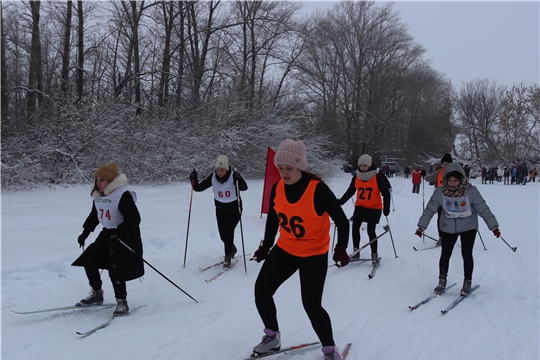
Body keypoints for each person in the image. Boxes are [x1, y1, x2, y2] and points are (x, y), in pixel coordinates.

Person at [251, 139, 349, 360]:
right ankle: (272, 336)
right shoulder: (277, 189)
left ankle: (329, 349)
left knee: (312, 305)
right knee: (262, 290)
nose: (284, 173)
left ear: (300, 167)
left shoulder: (318, 190)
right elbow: (273, 219)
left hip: (314, 253)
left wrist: (340, 248)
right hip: (286, 248)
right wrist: (266, 246)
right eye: (280, 168)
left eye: (289, 168)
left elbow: (342, 221)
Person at [415, 163, 500, 296]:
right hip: (448, 227)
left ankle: (467, 281)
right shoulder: (440, 192)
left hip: (468, 226)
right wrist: (421, 226)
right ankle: (442, 280)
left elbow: (483, 208)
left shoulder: (471, 191)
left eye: (455, 180)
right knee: (445, 254)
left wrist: (493, 226)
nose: (452, 183)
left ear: (461, 179)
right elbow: (430, 210)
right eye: (450, 180)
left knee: (466, 254)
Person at [72, 162, 144, 316]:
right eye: (97, 180)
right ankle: (97, 293)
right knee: (89, 259)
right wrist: (85, 232)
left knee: (115, 268)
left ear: (111, 181)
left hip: (125, 236)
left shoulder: (123, 195)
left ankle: (121, 302)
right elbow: (95, 216)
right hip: (107, 234)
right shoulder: (99, 196)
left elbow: (134, 219)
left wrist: (120, 232)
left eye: (102, 180)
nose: (98, 183)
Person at [190, 155, 248, 268]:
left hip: (235, 209)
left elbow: (244, 188)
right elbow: (198, 188)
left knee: (228, 231)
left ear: (227, 169)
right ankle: (232, 248)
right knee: (223, 235)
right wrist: (193, 178)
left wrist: (239, 178)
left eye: (222, 170)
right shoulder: (213, 178)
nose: (220, 172)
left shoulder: (233, 176)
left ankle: (227, 257)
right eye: (218, 170)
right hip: (220, 210)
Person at [338, 154, 390, 264]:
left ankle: (374, 254)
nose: (362, 168)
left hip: (374, 207)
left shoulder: (376, 176)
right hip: (360, 206)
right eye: (360, 165)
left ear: (369, 165)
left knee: (371, 230)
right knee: (355, 227)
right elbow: (351, 191)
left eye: (365, 165)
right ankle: (356, 251)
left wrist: (387, 207)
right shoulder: (357, 176)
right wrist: (341, 202)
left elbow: (386, 193)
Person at [423, 153, 453, 242]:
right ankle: (442, 237)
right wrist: (424, 175)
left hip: (453, 199)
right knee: (440, 219)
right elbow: (429, 178)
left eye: (447, 164)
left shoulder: (455, 172)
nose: (445, 166)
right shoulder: (439, 172)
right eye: (443, 164)